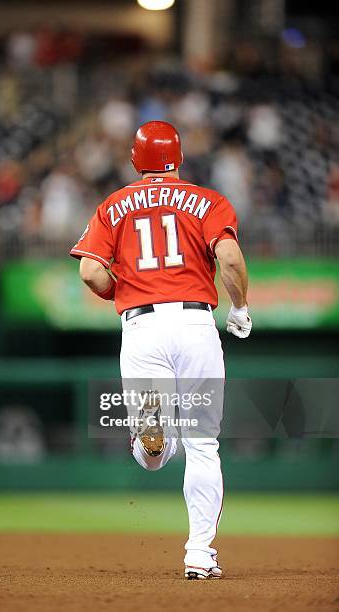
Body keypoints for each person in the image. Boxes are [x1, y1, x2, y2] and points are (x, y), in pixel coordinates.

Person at [70, 121, 252, 580]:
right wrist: (241, 307)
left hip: (142, 328)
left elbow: (91, 273)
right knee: (204, 445)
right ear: (179, 158)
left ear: (136, 160)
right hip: (195, 324)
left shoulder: (115, 204)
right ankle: (198, 554)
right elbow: (229, 258)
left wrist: (126, 295)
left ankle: (154, 442)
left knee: (153, 456)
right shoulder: (208, 201)